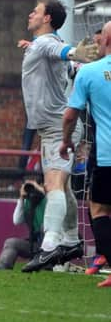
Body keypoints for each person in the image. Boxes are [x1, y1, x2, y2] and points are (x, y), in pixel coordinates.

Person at [20, 0, 99, 273]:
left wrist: (76, 52)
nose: (30, 13)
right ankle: (71, 244)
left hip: (58, 128)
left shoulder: (46, 43)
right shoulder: (40, 45)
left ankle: (49, 248)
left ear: (47, 19)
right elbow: (62, 58)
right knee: (62, 188)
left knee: (53, 185)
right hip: (50, 127)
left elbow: (63, 52)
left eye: (36, 10)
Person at [60, 20, 111, 287]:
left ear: (105, 40)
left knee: (99, 209)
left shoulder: (90, 72)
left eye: (101, 35)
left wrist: (65, 141)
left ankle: (105, 256)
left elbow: (70, 115)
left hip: (107, 155)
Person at [0, 180, 46, 270]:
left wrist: (39, 189)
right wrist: (22, 199)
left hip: (51, 247)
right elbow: (17, 220)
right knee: (11, 242)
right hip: (35, 245)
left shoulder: (50, 200)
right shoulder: (27, 202)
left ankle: (48, 264)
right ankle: (4, 264)